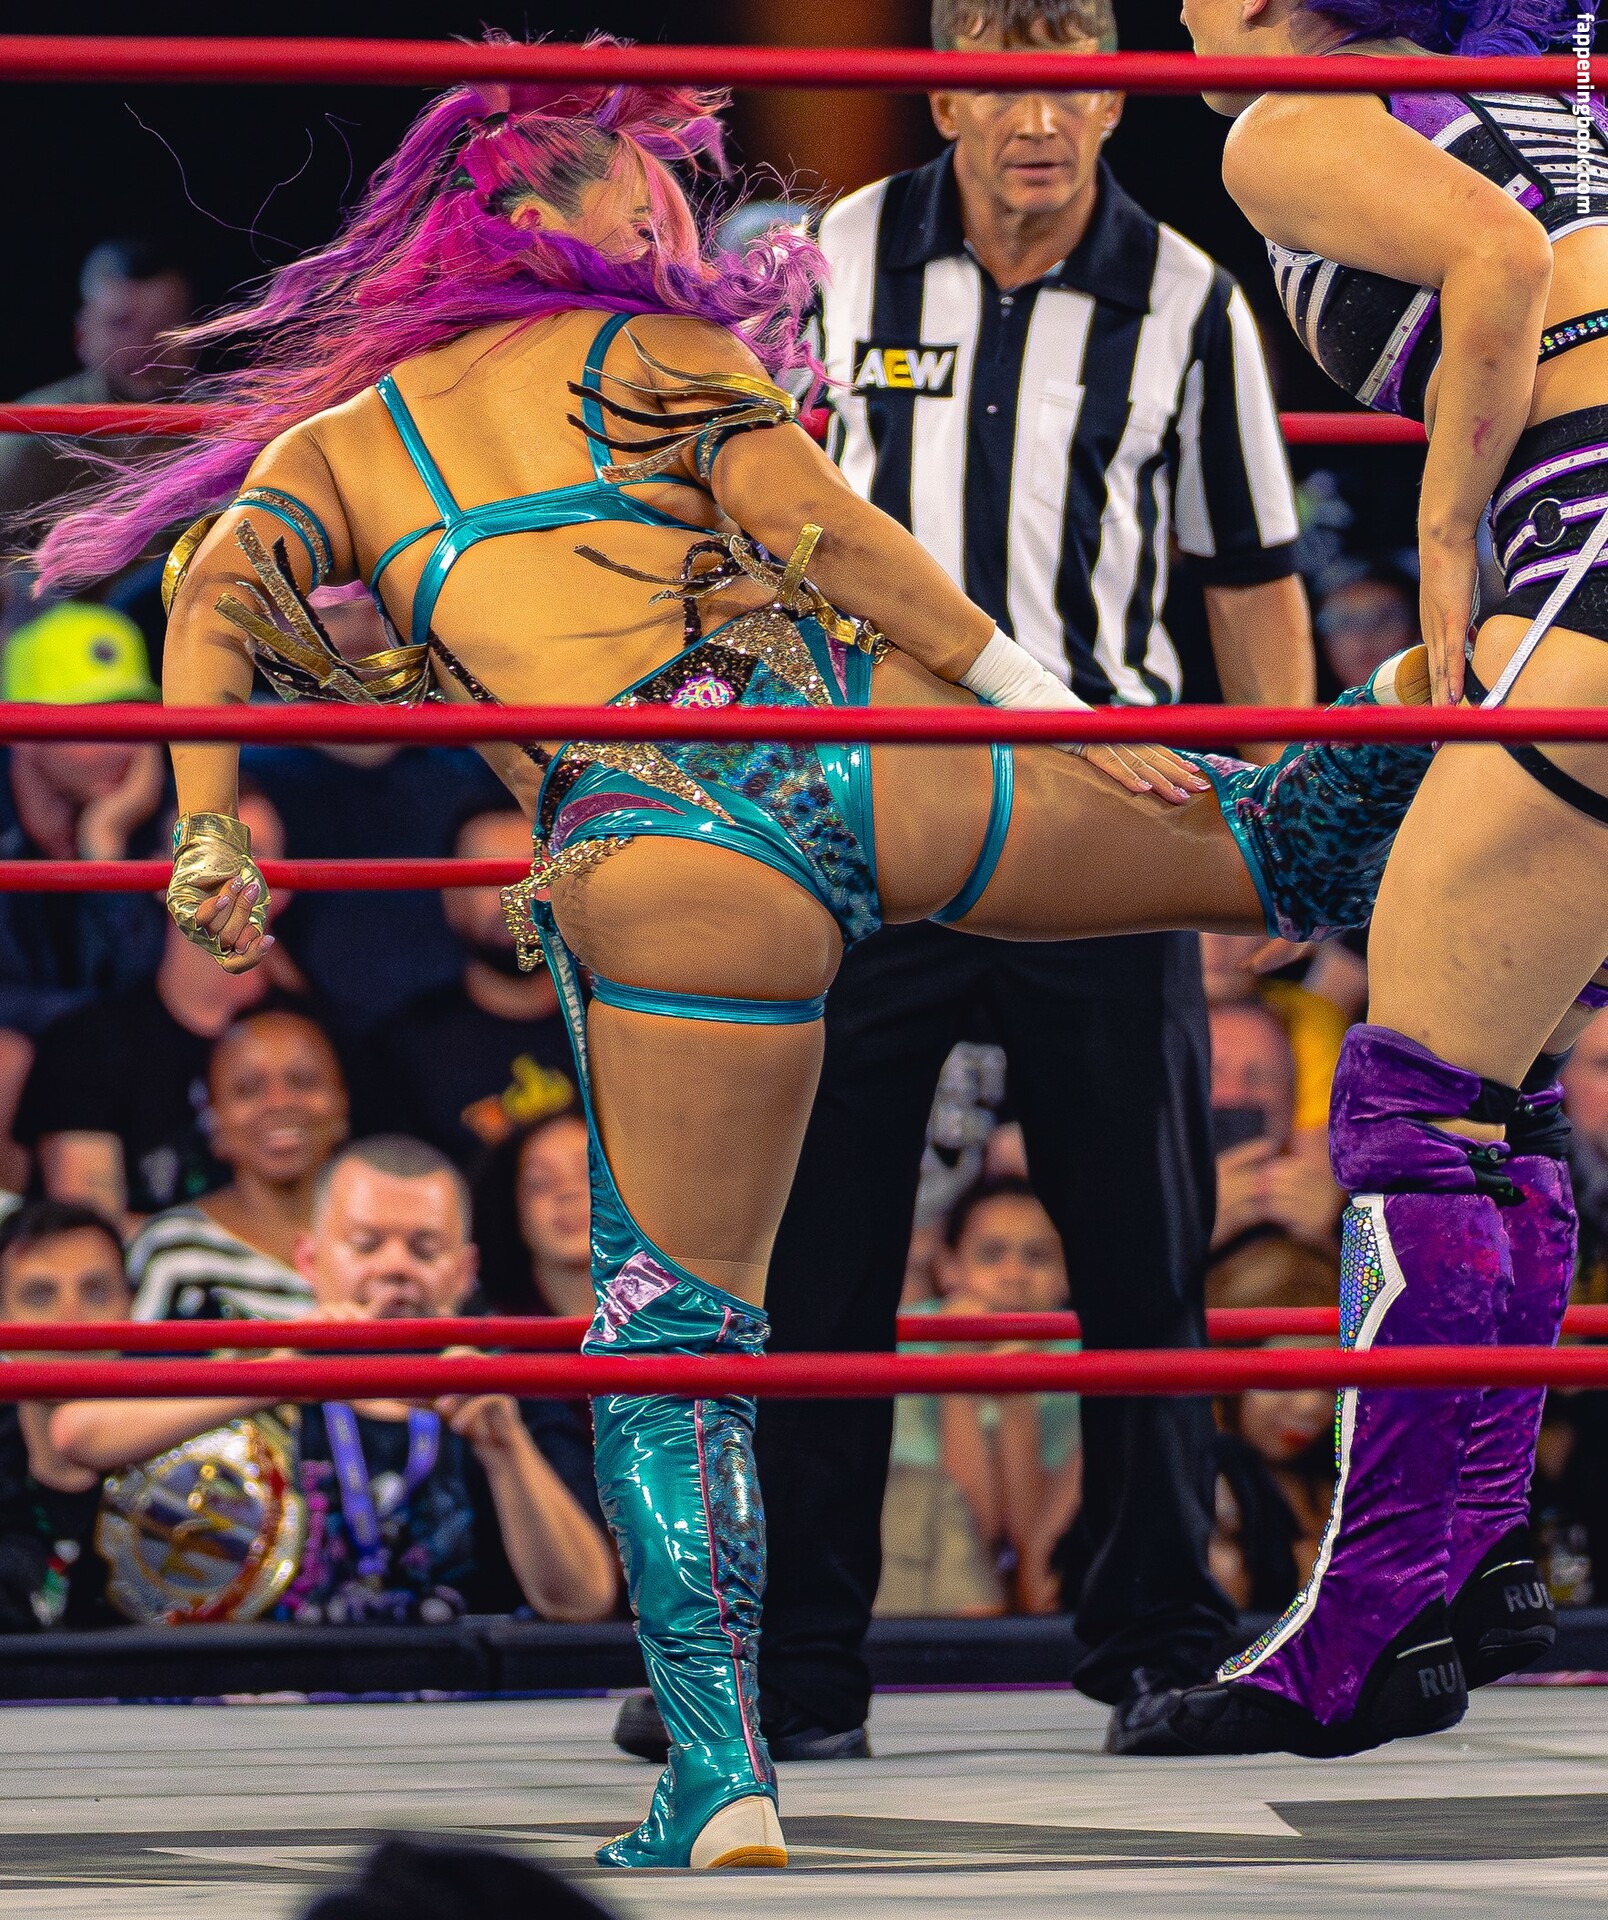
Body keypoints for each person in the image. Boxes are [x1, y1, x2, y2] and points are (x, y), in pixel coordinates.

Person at [35, 50, 1434, 1870]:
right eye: (634, 176)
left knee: (676, 1332)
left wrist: (209, 828)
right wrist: (1039, 705)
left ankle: (721, 1775)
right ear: (527, 208)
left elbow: (214, 590)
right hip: (849, 736)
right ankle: (1488, 690)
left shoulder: (348, 445)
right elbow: (831, 536)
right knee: (1277, 841)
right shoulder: (652, 357)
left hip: (664, 836)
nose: (667, 201)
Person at [745, 0, 1324, 1764]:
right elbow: (739, 519)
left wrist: (1287, 831)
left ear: (1114, 92)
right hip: (870, 820)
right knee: (819, 1258)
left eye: (1069, 68)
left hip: (1104, 819)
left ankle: (1156, 1640)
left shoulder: (1190, 300)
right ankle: (793, 1666)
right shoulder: (827, 265)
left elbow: (1249, 582)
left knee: (1141, 1248)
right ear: (944, 87)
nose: (1037, 114)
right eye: (1002, 71)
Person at [1127, 0, 1608, 1756]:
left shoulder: (1290, 117)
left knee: (1408, 1105)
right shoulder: (1542, 75)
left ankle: (1364, 1625)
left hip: (1584, 558)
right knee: (1497, 1083)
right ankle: (1476, 1560)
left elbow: (1498, 260)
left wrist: (1440, 557)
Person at [52, 1136, 617, 1628]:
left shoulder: (501, 1389)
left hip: (455, 1702)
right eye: (366, 1244)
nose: (395, 1266)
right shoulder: (246, 1354)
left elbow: (584, 1600)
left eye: (424, 1249)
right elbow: (76, 1436)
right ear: (309, 1257)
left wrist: (506, 1449)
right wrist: (274, 1377)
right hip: (261, 1697)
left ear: (466, 1271)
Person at [12, 786, 311, 1220]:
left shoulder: (324, 1039)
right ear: (160, 876)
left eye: (252, 856)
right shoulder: (86, 1043)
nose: (226, 880)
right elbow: (92, 1236)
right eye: (205, 855)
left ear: (282, 887)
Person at [0, 604, 169, 1189]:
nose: (121, 745)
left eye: (132, 717)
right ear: (23, 731)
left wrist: (105, 846)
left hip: (115, 1073)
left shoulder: (155, 817)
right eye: (94, 720)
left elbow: (154, 989)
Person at [878, 1174, 1080, 1618]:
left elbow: (1036, 1570)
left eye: (1037, 1256)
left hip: (1034, 1601)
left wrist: (1017, 1399)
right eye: (991, 1255)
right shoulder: (903, 1343)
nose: (1014, 1275)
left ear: (1067, 1272)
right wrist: (956, 1368)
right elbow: (973, 1537)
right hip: (932, 1593)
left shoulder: (1085, 1359)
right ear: (949, 1267)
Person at [0, 238, 195, 632]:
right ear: (82, 334)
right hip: (60, 646)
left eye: (169, 327)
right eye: (122, 325)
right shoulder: (36, 429)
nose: (148, 348)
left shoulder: (228, 432)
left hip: (187, 641)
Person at [376, 805, 576, 1163]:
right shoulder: (402, 1048)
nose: (517, 894)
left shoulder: (621, 1019)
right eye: (490, 876)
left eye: (536, 874)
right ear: (451, 900)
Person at [128, 1008, 350, 1323]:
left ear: (341, 1103)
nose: (278, 1102)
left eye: (302, 1082)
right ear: (213, 1121)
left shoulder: (392, 1243)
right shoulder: (172, 1247)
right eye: (248, 1089)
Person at [0, 1201, 131, 1631]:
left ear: (130, 1306)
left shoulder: (189, 1455)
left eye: (96, 1292)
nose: (70, 1319)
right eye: (40, 1296)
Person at [1208, 996, 1343, 1263]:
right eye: (1212, 1073)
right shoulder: (1133, 1196)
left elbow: (1397, 1286)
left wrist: (1335, 1238)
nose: (1235, 1094)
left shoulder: (1351, 1206)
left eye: (1260, 1076)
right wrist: (1187, 1238)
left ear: (1293, 1100)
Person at [471, 1109, 593, 1317]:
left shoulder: (654, 1323)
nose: (568, 1192)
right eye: (541, 1182)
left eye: (590, 1173)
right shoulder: (490, 1332)